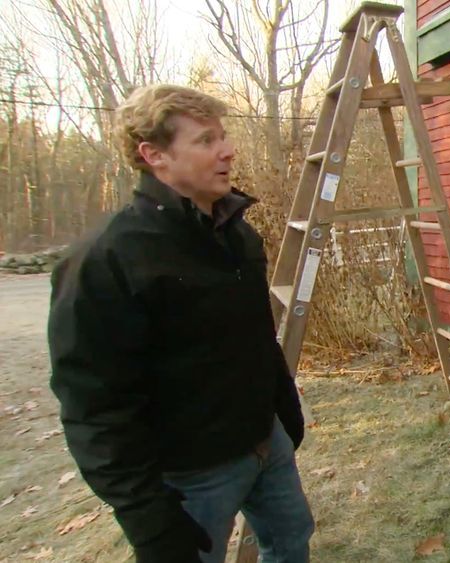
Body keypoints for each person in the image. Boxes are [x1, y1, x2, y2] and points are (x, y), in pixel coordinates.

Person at [48, 84, 314, 563]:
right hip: (192, 473)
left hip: (264, 441)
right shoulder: (107, 258)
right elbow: (94, 403)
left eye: (224, 136)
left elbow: (256, 337)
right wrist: (148, 518)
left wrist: (283, 410)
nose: (228, 150)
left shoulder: (238, 233)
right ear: (155, 155)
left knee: (291, 540)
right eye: (207, 140)